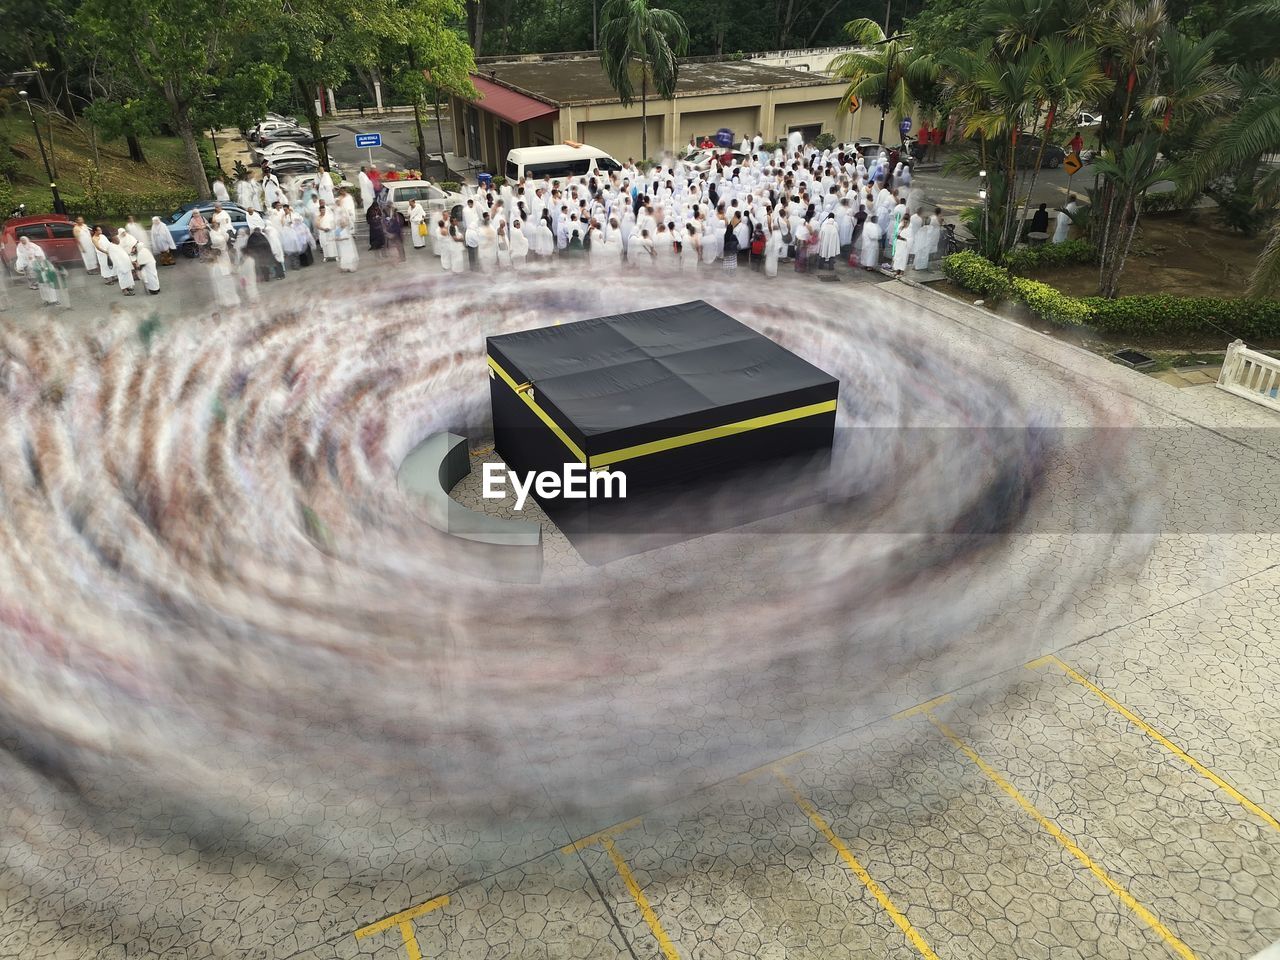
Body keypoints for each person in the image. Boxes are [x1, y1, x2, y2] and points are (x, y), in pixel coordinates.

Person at [335, 206, 359, 273]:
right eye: (341, 223)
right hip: (343, 246)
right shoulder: (337, 231)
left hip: (349, 245)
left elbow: (350, 226)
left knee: (351, 255)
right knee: (345, 256)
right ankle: (345, 267)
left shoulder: (346, 229)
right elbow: (337, 239)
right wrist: (343, 238)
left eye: (344, 223)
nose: (343, 224)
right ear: (339, 223)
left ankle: (351, 267)